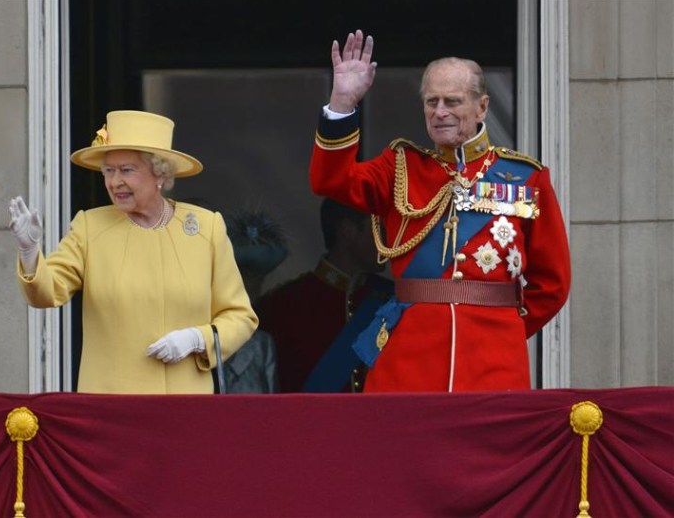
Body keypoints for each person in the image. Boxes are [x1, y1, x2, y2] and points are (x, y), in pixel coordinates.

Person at [309, 30, 571, 393]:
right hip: (407, 367)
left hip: (494, 365)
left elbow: (553, 283)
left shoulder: (528, 178)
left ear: (482, 106)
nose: (441, 112)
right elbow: (330, 181)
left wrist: (504, 328)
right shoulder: (399, 167)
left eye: (453, 101)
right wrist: (341, 104)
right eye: (432, 102)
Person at [9, 110, 258, 394]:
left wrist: (197, 339)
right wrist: (29, 252)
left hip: (185, 408)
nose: (115, 182)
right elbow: (47, 293)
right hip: (111, 408)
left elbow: (240, 317)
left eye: (127, 170)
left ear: (160, 173)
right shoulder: (90, 227)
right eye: (108, 171)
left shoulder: (205, 227)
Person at [254, 198, 393, 393]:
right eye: (381, 230)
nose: (390, 241)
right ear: (347, 230)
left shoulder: (392, 300)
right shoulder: (283, 306)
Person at [219, 207, 289, 394]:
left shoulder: (262, 345)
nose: (250, 285)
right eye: (244, 275)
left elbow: (272, 408)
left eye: (257, 278)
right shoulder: (197, 337)